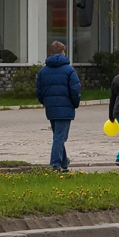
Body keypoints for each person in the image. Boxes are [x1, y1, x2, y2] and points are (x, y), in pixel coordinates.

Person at [35, 41, 81, 171]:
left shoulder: (43, 71)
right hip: (65, 107)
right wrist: (75, 103)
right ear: (62, 52)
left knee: (58, 135)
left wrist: (45, 102)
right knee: (60, 136)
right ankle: (55, 164)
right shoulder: (69, 70)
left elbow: (39, 90)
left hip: (51, 108)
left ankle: (64, 161)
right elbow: (75, 89)